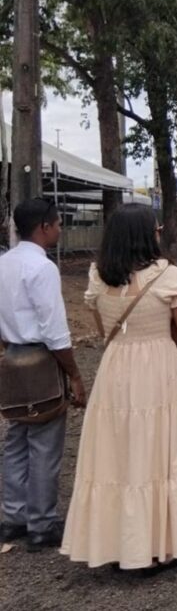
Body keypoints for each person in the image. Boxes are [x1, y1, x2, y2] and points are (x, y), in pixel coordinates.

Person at [61, 203, 177, 572]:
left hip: (116, 367)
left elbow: (104, 329)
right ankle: (156, 546)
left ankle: (115, 543)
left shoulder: (97, 277)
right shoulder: (167, 276)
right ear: (147, 235)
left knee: (115, 454)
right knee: (157, 452)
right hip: (158, 370)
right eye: (155, 229)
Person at [0, 198, 86, 552]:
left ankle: (13, 517)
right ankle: (41, 523)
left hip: (11, 356)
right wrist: (75, 374)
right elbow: (54, 330)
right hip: (40, 358)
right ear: (44, 227)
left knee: (16, 437)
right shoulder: (43, 269)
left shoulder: (3, 263)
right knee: (46, 444)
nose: (60, 228)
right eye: (58, 223)